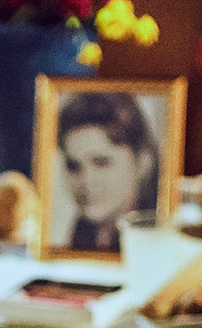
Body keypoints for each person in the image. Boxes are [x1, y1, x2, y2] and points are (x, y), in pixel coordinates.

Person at [57, 92, 160, 253]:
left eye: (101, 162)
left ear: (142, 162)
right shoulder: (83, 232)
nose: (86, 180)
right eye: (73, 166)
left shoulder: (156, 237)